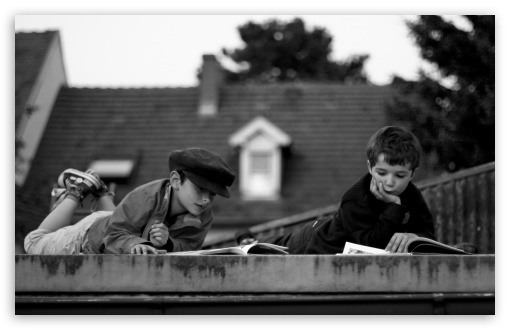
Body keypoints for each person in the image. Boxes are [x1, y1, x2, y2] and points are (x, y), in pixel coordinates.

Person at [236, 126, 437, 254]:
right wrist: (394, 206)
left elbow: (428, 233)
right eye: (382, 173)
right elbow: (372, 245)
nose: (390, 182)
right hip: (315, 241)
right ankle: (248, 241)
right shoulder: (355, 198)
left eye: (400, 175)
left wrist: (413, 237)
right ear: (369, 167)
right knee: (270, 248)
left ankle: (250, 240)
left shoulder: (412, 194)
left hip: (335, 232)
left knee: (274, 243)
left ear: (412, 173)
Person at [24, 148, 236, 255]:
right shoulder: (146, 196)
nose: (206, 199)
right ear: (175, 180)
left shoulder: (204, 214)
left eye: (212, 194)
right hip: (88, 237)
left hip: (116, 219)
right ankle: (77, 190)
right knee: (33, 243)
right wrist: (136, 244)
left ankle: (101, 191)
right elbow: (113, 235)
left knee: (114, 219)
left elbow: (190, 247)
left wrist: (168, 243)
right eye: (200, 188)